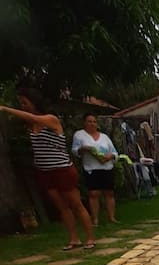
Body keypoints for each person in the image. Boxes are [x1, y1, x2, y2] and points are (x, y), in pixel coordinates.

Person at [0, 89, 94, 250]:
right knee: (61, 206)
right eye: (21, 103)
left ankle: (90, 238)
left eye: (25, 102)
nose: (23, 106)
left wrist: (5, 109)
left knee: (76, 204)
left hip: (62, 169)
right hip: (44, 170)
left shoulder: (51, 119)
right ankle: (73, 239)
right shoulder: (31, 125)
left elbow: (32, 117)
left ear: (34, 102)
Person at [71, 112, 118, 226]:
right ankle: (95, 219)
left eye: (94, 122)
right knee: (94, 193)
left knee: (109, 192)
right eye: (89, 121)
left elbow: (114, 152)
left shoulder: (104, 137)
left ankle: (111, 217)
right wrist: (83, 149)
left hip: (106, 167)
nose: (92, 124)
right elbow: (74, 150)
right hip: (91, 168)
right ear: (84, 123)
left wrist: (110, 156)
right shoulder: (79, 135)